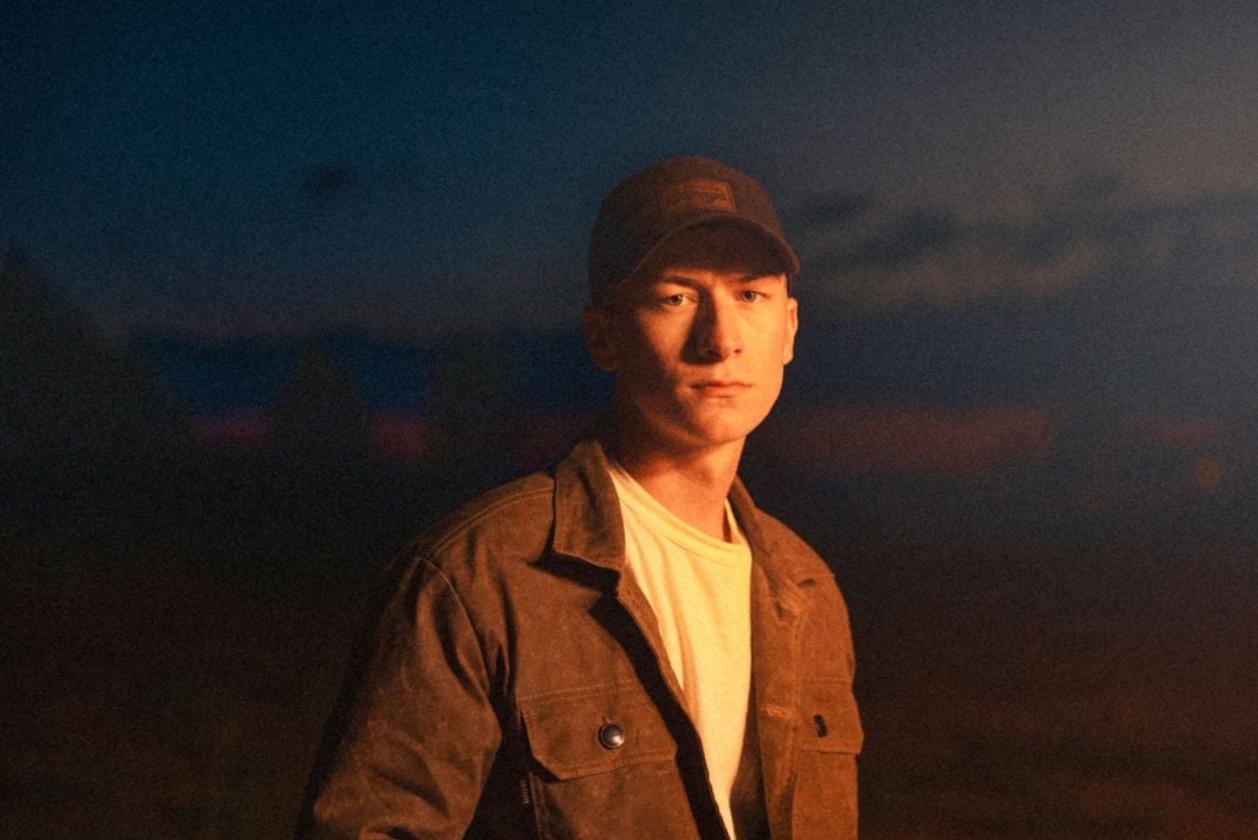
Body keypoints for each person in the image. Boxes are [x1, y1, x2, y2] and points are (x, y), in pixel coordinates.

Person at [299, 156, 861, 839]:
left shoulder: (807, 592)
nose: (721, 340)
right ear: (604, 334)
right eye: (676, 297)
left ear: (790, 329)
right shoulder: (480, 579)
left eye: (750, 295)